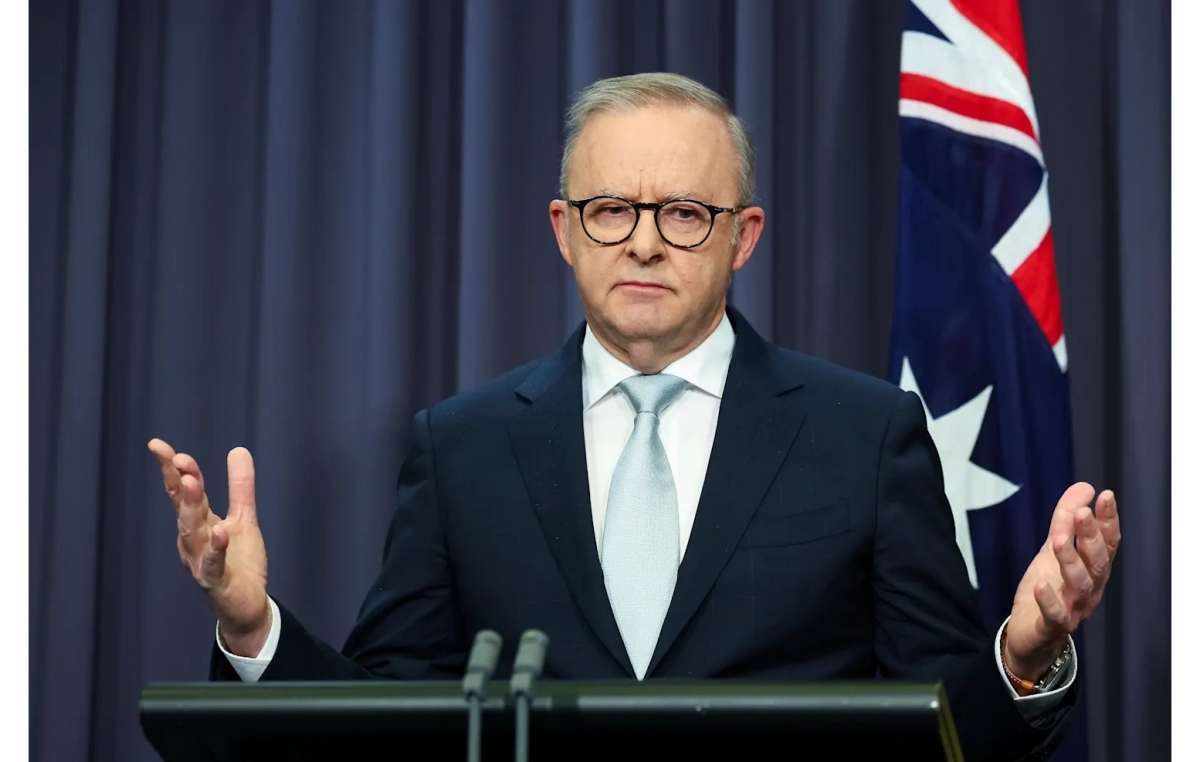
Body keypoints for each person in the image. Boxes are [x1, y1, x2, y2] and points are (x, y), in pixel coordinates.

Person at [149, 73, 1120, 762]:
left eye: (685, 213)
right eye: (612, 209)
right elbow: (389, 724)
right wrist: (255, 629)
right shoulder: (464, 446)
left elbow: (939, 727)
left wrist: (1022, 654)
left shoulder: (865, 435)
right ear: (565, 231)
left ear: (744, 238)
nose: (645, 243)